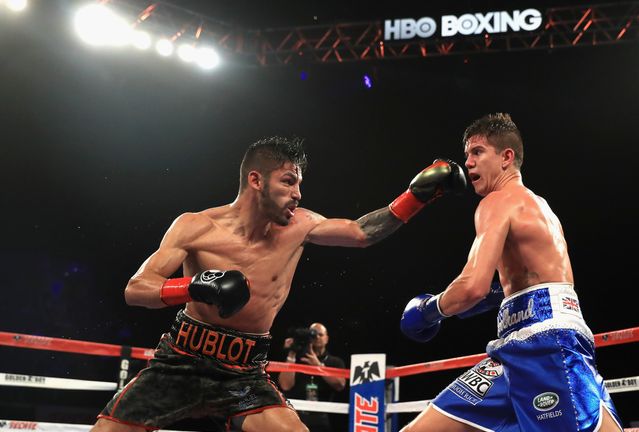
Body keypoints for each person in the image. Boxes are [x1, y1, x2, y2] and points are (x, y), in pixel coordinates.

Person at [91, 136, 466, 432]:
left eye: (299, 184)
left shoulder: (300, 225)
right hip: (180, 360)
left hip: (243, 372)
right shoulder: (196, 226)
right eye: (288, 182)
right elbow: (136, 289)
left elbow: (360, 232)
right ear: (256, 180)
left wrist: (415, 198)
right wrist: (194, 286)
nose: (298, 194)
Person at [399, 114, 623, 432]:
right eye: (467, 155)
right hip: (517, 348)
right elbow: (532, 282)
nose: (468, 162)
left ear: (506, 157)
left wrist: (429, 309)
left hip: (545, 346)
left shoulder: (497, 202)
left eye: (478, 152)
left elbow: (472, 286)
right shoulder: (539, 206)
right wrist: (498, 297)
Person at [278, 322, 346, 432]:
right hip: (295, 416)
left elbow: (340, 385)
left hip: (321, 418)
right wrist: (291, 353)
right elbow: (285, 385)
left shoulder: (335, 362)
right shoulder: (297, 359)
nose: (317, 337)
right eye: (314, 334)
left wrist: (318, 366)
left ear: (327, 339)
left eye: (320, 334)